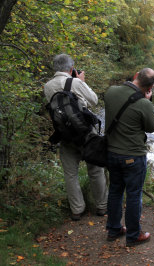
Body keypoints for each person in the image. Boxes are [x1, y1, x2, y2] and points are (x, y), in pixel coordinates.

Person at [44, 54, 108, 221]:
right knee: (95, 170)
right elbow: (94, 100)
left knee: (70, 173)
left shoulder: (47, 86)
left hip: (65, 135)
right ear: (71, 69)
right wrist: (81, 81)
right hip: (86, 133)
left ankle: (77, 210)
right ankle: (102, 206)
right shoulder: (76, 82)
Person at [104, 68, 154, 246]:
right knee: (134, 195)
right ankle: (134, 235)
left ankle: (113, 229)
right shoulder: (144, 103)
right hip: (133, 155)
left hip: (112, 152)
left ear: (135, 76)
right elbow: (151, 127)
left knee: (115, 191)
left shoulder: (111, 92)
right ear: (150, 87)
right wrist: (147, 101)